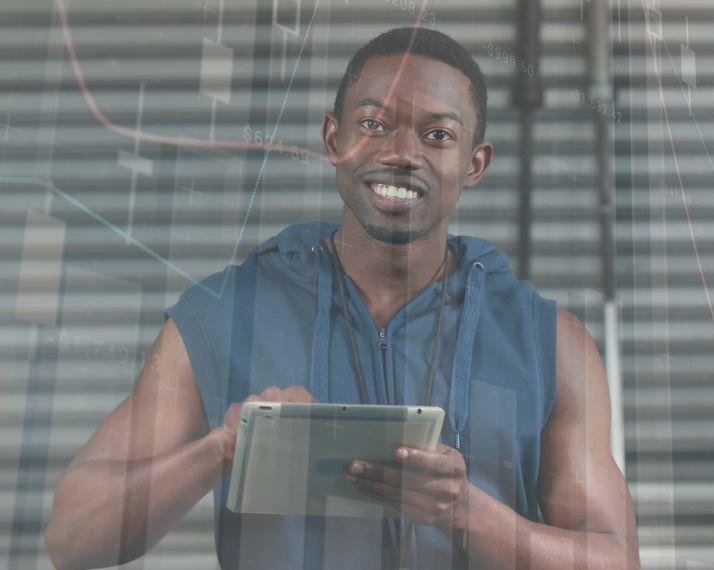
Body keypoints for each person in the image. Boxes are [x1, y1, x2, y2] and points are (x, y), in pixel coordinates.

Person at [44, 27, 639, 570]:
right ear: (334, 139)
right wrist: (223, 448)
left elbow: (616, 559)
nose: (401, 153)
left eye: (438, 135)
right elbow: (72, 538)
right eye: (374, 124)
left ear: (474, 164)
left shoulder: (547, 340)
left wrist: (467, 513)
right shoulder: (225, 312)